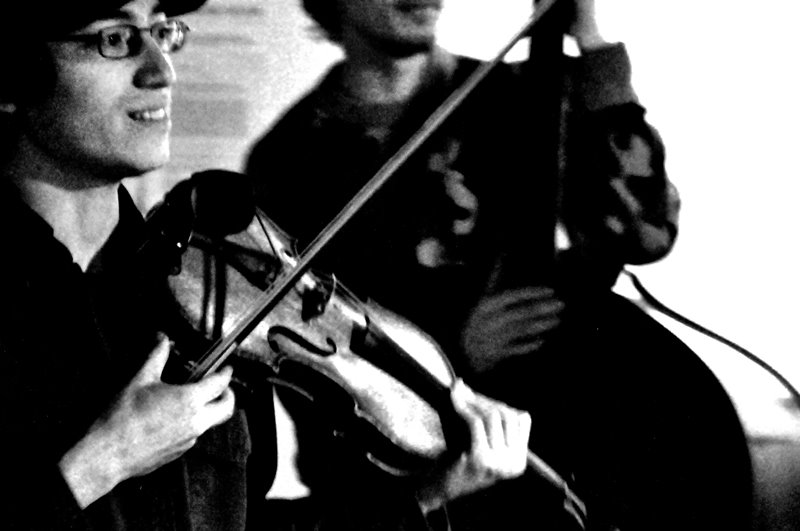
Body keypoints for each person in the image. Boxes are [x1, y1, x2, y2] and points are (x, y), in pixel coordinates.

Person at [0, 0, 534, 529]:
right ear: (9, 75)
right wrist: (99, 464)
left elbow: (245, 522)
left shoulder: (212, 299)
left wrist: (427, 493)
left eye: (162, 34)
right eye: (114, 39)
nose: (161, 71)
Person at [245, 0, 755, 529]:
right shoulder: (287, 161)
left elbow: (648, 229)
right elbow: (310, 368)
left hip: (582, 445)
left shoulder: (514, 98)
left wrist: (591, 40)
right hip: (413, 494)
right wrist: (450, 365)